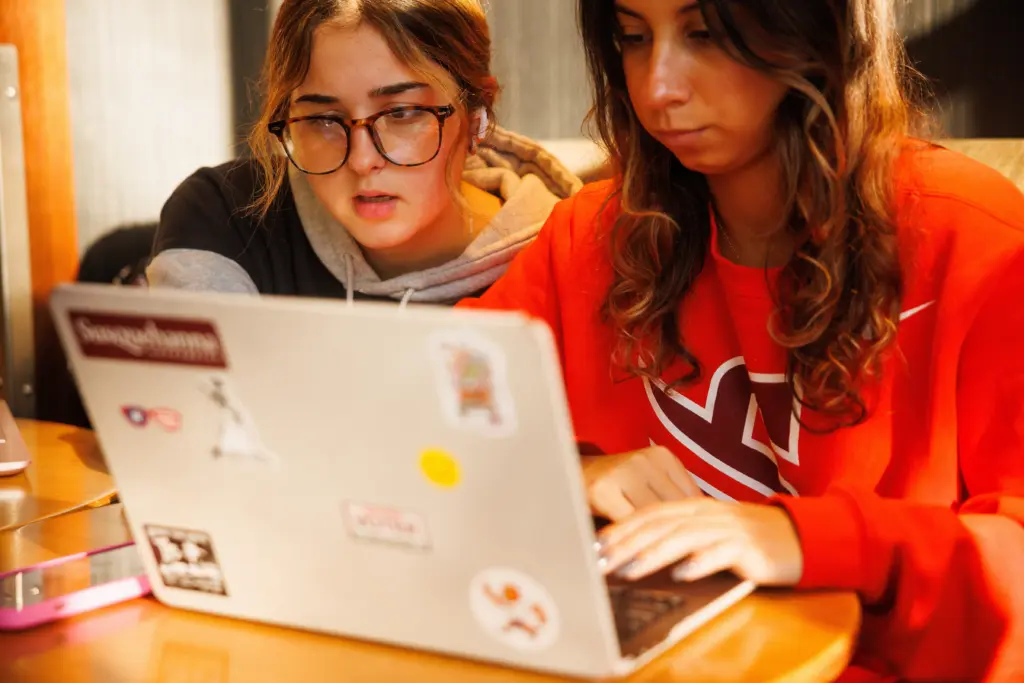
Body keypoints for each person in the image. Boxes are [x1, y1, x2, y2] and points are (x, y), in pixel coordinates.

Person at [459, 0, 1024, 680]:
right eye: (633, 38)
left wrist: (801, 536)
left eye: (705, 34)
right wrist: (567, 475)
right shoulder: (587, 237)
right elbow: (428, 428)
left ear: (814, 32)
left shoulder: (978, 241)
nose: (658, 86)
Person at [147, 0, 580, 303]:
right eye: (322, 119)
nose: (361, 160)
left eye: (403, 113)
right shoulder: (226, 216)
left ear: (477, 114)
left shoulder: (570, 261)